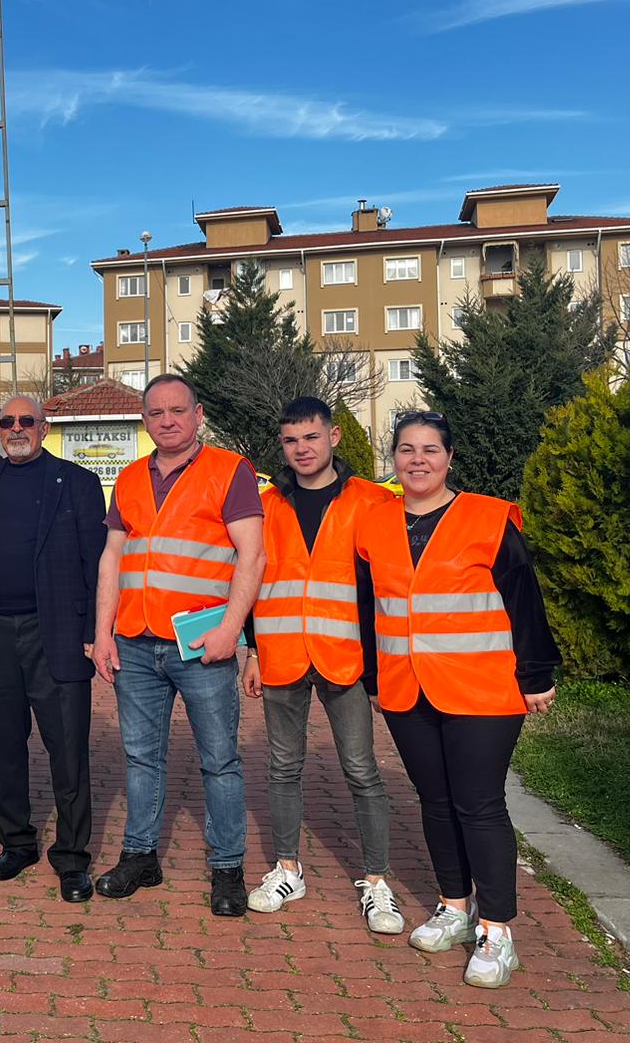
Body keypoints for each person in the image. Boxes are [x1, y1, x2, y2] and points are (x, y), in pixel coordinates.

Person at [354, 410, 558, 989]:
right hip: (404, 687)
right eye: (407, 449)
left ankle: (497, 931)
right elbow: (373, 609)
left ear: (449, 458)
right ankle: (454, 906)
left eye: (431, 450)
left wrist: (536, 674)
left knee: (479, 803)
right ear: (392, 459)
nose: (418, 460)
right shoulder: (375, 524)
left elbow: (524, 599)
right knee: (435, 801)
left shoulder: (488, 519)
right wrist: (373, 676)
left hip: (482, 688)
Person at [91, 373, 266, 916]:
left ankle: (227, 868)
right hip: (136, 642)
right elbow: (112, 558)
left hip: (200, 644)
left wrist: (231, 630)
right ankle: (141, 855)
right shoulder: (128, 478)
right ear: (145, 420)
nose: (166, 420)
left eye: (177, 410)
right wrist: (102, 633)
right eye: (156, 413)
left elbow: (252, 556)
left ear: (198, 415)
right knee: (142, 758)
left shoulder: (229, 471)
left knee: (219, 760)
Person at [241, 397, 403, 934]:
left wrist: (385, 664)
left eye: (311, 437)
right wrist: (252, 650)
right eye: (291, 440)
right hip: (282, 654)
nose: (301, 449)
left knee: (361, 770)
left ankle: (377, 882)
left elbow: (387, 585)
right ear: (281, 446)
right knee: (283, 768)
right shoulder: (266, 505)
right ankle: (288, 869)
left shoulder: (373, 501)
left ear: (333, 438)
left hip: (346, 658)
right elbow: (248, 578)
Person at [0, 396, 106, 903]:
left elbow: (97, 564)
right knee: (3, 745)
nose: (17, 428)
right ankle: (17, 842)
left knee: (67, 748)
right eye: (7, 422)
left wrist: (96, 630)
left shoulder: (79, 483)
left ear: (44, 428)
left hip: (59, 633)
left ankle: (71, 857)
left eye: (27, 421)